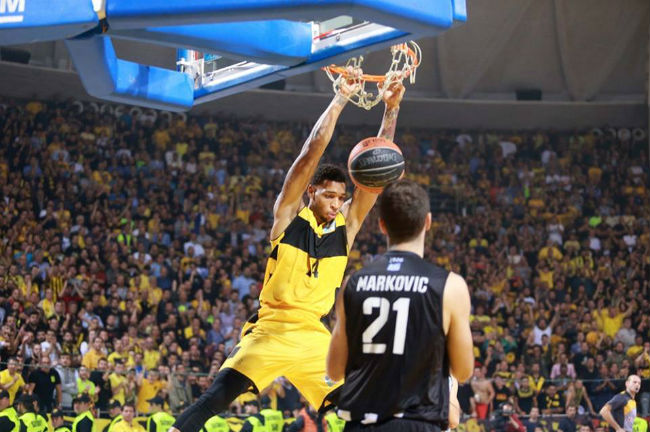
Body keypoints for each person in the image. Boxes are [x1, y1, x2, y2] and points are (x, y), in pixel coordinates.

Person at [171, 75, 405, 432]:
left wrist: (391, 108)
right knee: (216, 397)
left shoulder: (346, 227)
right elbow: (310, 153)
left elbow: (377, 168)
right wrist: (340, 98)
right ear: (311, 192)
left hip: (313, 336)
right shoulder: (287, 219)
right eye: (329, 195)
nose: (336, 204)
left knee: (363, 405)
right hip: (270, 331)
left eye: (341, 198)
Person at [327, 180, 474, 431]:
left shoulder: (354, 283)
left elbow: (334, 370)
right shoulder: (451, 286)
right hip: (418, 423)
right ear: (427, 222)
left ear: (382, 225)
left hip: (363, 424)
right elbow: (463, 371)